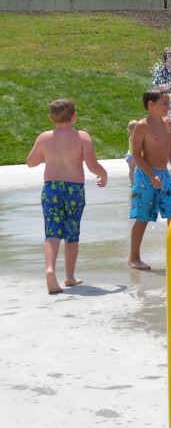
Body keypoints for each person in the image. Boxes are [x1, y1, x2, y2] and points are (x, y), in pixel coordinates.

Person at [25, 99, 108, 294]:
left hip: (51, 189)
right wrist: (103, 174)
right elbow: (92, 165)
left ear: (50, 117)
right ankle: (69, 277)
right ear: (74, 117)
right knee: (72, 232)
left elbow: (30, 162)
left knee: (52, 232)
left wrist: (50, 155)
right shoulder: (82, 137)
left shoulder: (45, 137)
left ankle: (49, 270)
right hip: (74, 191)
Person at [128, 89, 171, 271]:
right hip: (145, 176)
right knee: (143, 217)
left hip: (163, 175)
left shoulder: (168, 123)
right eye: (165, 104)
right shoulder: (142, 126)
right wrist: (150, 175)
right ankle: (134, 257)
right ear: (150, 105)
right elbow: (136, 155)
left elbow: (169, 149)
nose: (168, 107)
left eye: (168, 103)